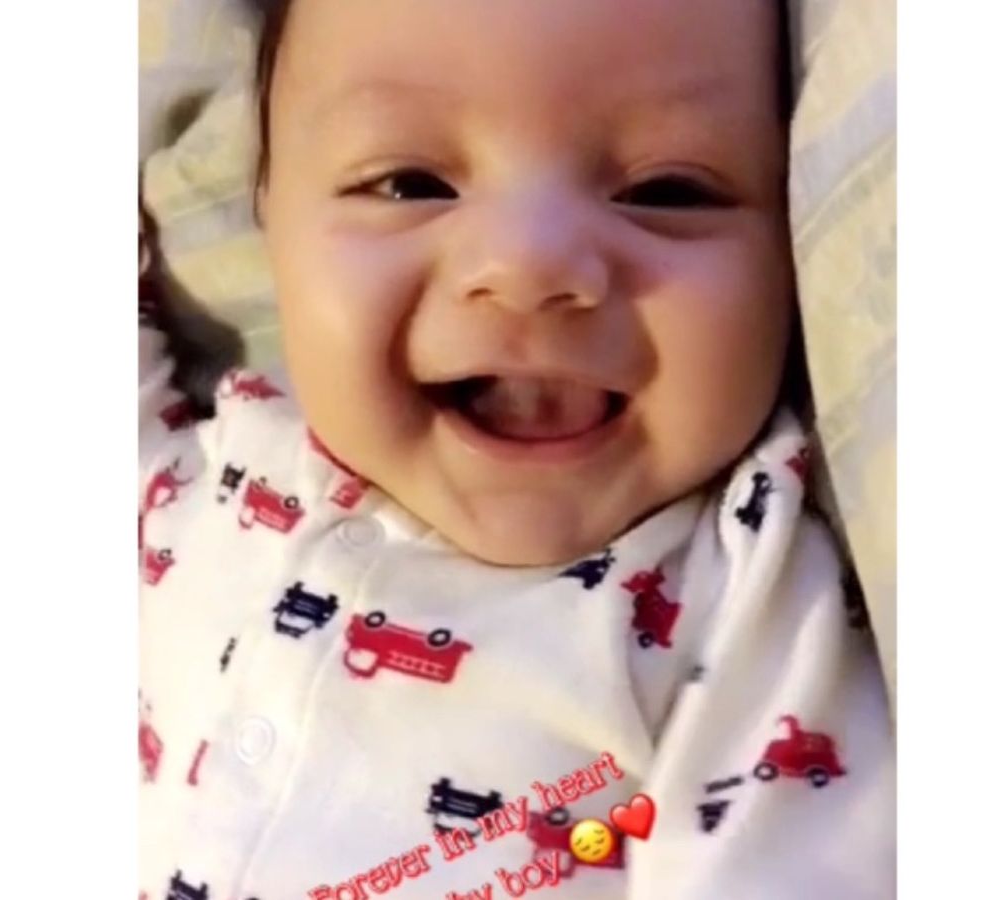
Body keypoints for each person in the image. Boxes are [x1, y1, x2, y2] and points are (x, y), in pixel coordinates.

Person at [138, 0, 895, 897]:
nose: (531, 264)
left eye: (667, 192)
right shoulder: (220, 466)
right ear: (270, 220)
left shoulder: (750, 602)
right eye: (408, 183)